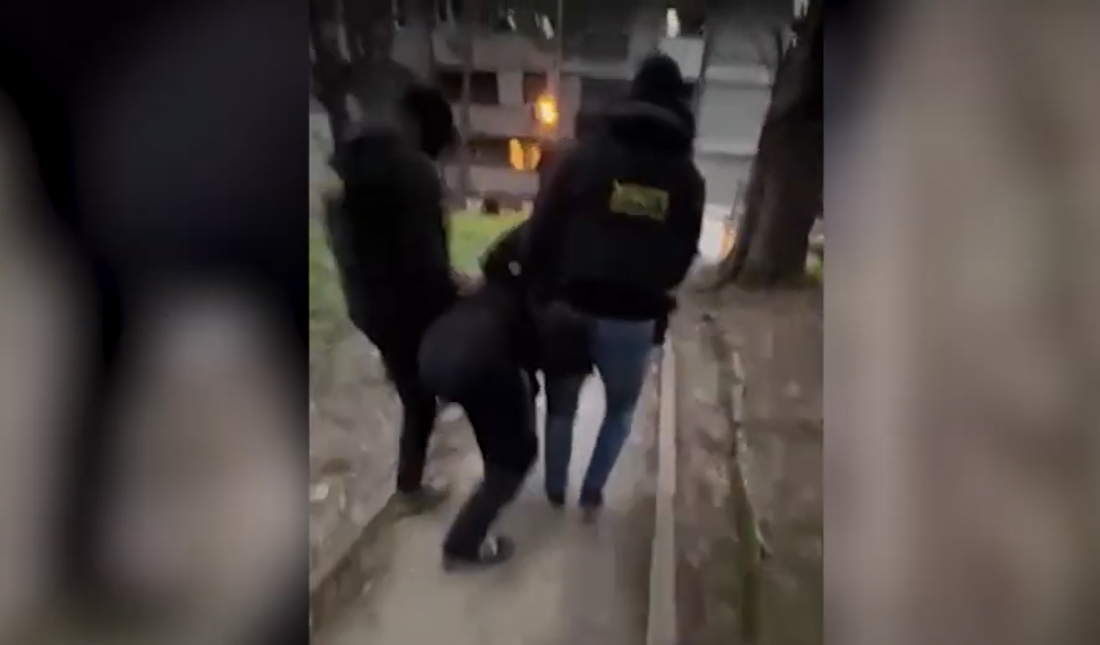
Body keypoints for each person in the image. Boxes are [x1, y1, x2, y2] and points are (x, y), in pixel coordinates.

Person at [520, 52, 706, 519]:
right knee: (620, 410)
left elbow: (542, 226)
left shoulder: (583, 157)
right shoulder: (687, 178)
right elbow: (685, 250)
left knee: (561, 408)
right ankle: (592, 494)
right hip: (635, 315)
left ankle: (555, 491)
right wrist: (655, 287)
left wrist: (542, 289)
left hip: (572, 306)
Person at [324, 82, 463, 512]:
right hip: (407, 308)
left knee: (411, 381)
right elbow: (426, 262)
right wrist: (455, 292)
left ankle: (408, 377)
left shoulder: (346, 164)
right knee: (421, 399)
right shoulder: (417, 174)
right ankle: (409, 489)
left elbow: (355, 243)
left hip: (366, 303)